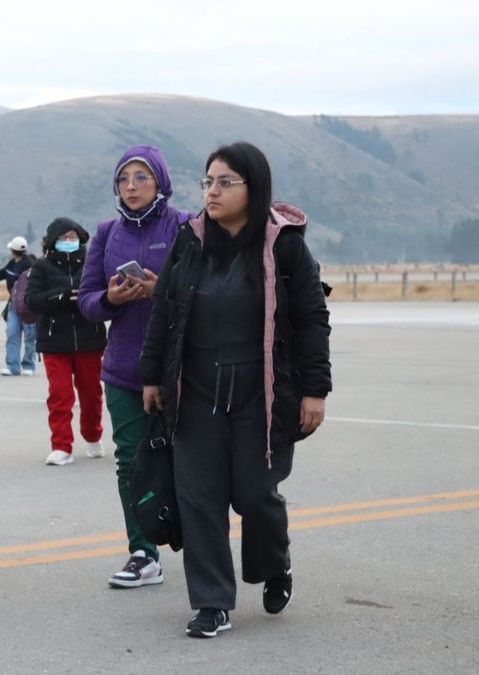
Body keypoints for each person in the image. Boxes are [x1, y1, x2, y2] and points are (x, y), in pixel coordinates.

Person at [139, 141, 331, 638]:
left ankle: (275, 560)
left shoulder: (283, 244)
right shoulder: (190, 240)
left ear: (254, 186)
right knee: (199, 497)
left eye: (226, 182)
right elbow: (165, 310)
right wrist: (152, 376)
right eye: (207, 181)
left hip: (262, 390)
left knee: (255, 494)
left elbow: (311, 319)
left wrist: (315, 390)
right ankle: (212, 602)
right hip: (196, 387)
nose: (213, 191)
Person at [78, 145, 188, 589]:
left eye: (141, 177)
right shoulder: (106, 233)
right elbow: (86, 301)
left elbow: (202, 290)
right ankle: (142, 553)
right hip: (124, 367)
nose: (131, 186)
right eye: (124, 179)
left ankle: (198, 544)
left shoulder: (185, 226)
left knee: (191, 462)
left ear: (160, 181)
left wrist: (163, 292)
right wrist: (110, 300)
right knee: (130, 462)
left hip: (179, 367)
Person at [25, 218, 107, 465]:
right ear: (53, 241)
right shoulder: (41, 267)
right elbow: (32, 300)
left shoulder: (93, 263)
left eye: (72, 236)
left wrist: (87, 298)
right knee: (60, 396)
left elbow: (104, 293)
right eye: (63, 237)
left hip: (89, 339)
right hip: (54, 342)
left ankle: (93, 436)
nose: (68, 241)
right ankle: (61, 446)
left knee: (92, 394)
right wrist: (60, 297)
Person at [0, 236, 35, 376]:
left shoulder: (29, 265)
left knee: (29, 336)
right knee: (12, 334)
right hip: (13, 305)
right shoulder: (12, 264)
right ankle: (13, 366)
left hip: (28, 307)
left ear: (12, 250)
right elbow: (1, 274)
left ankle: (28, 365)